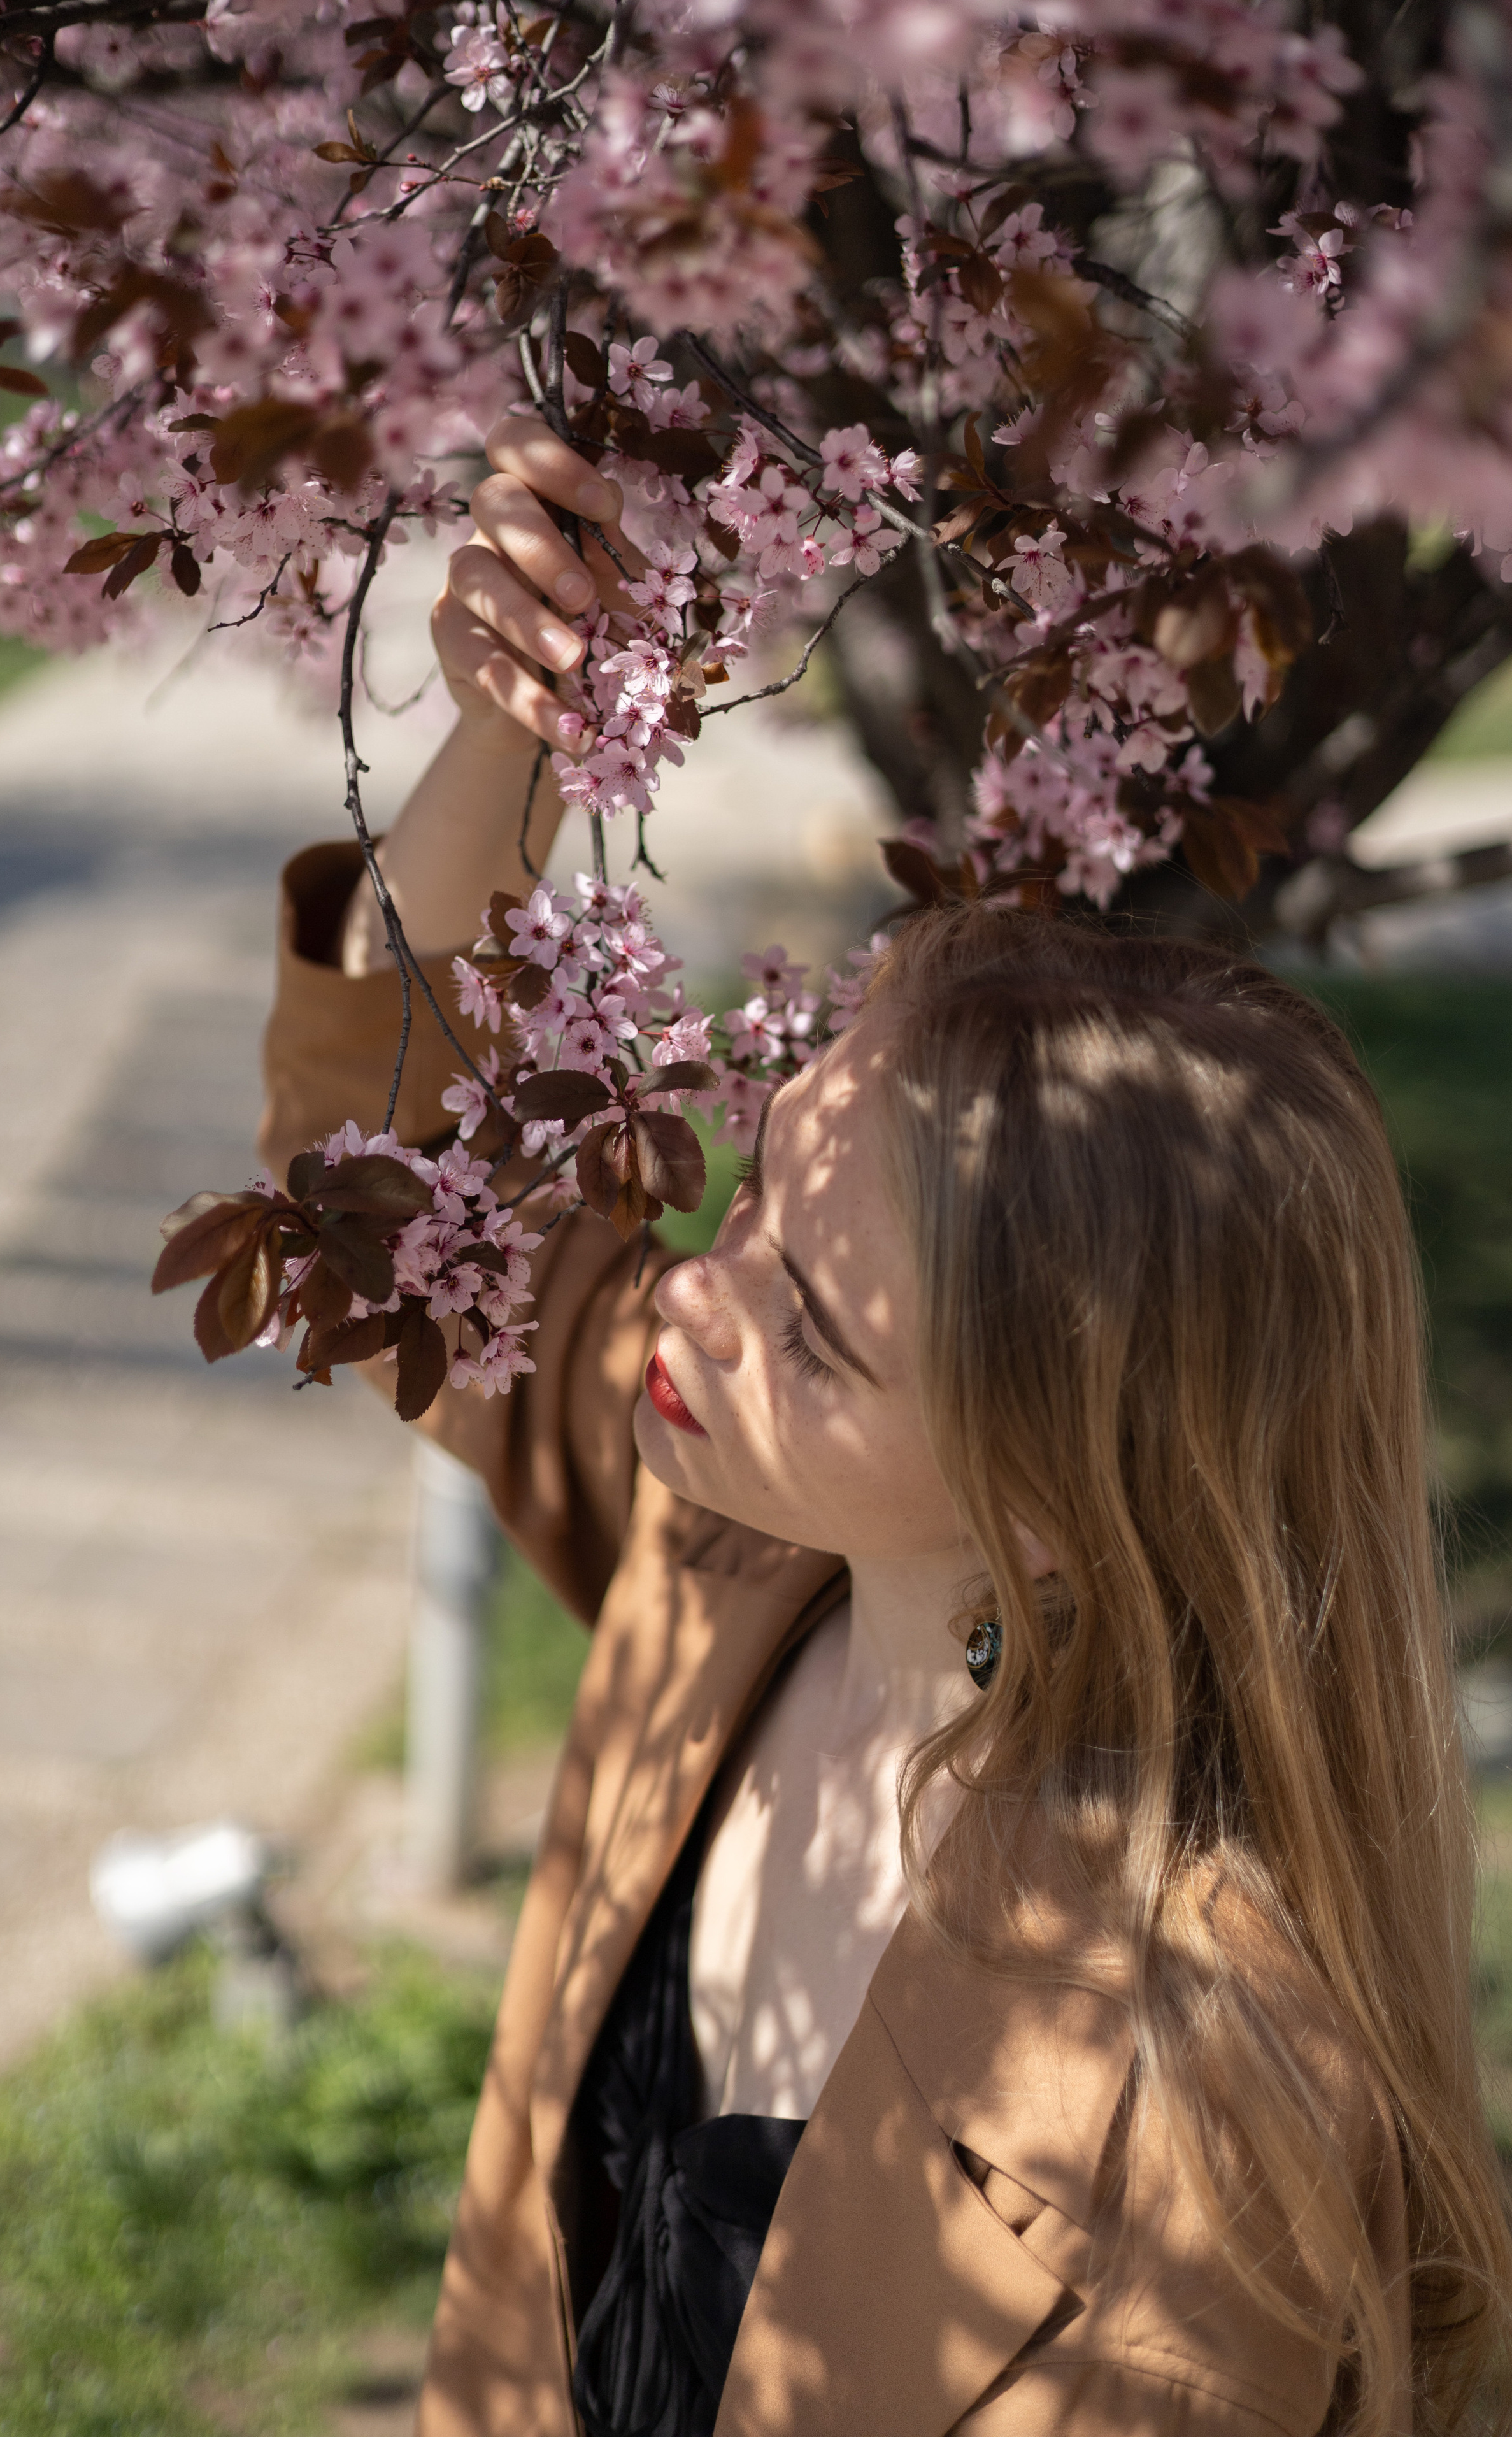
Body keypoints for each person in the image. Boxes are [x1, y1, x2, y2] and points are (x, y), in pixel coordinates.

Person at [259, 417, 1511, 2437]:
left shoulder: (1199, 2130)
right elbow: (386, 1202)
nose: (685, 1292)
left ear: (1061, 1495)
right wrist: (503, 728)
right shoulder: (743, 1566)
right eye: (748, 1200)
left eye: (815, 1329)